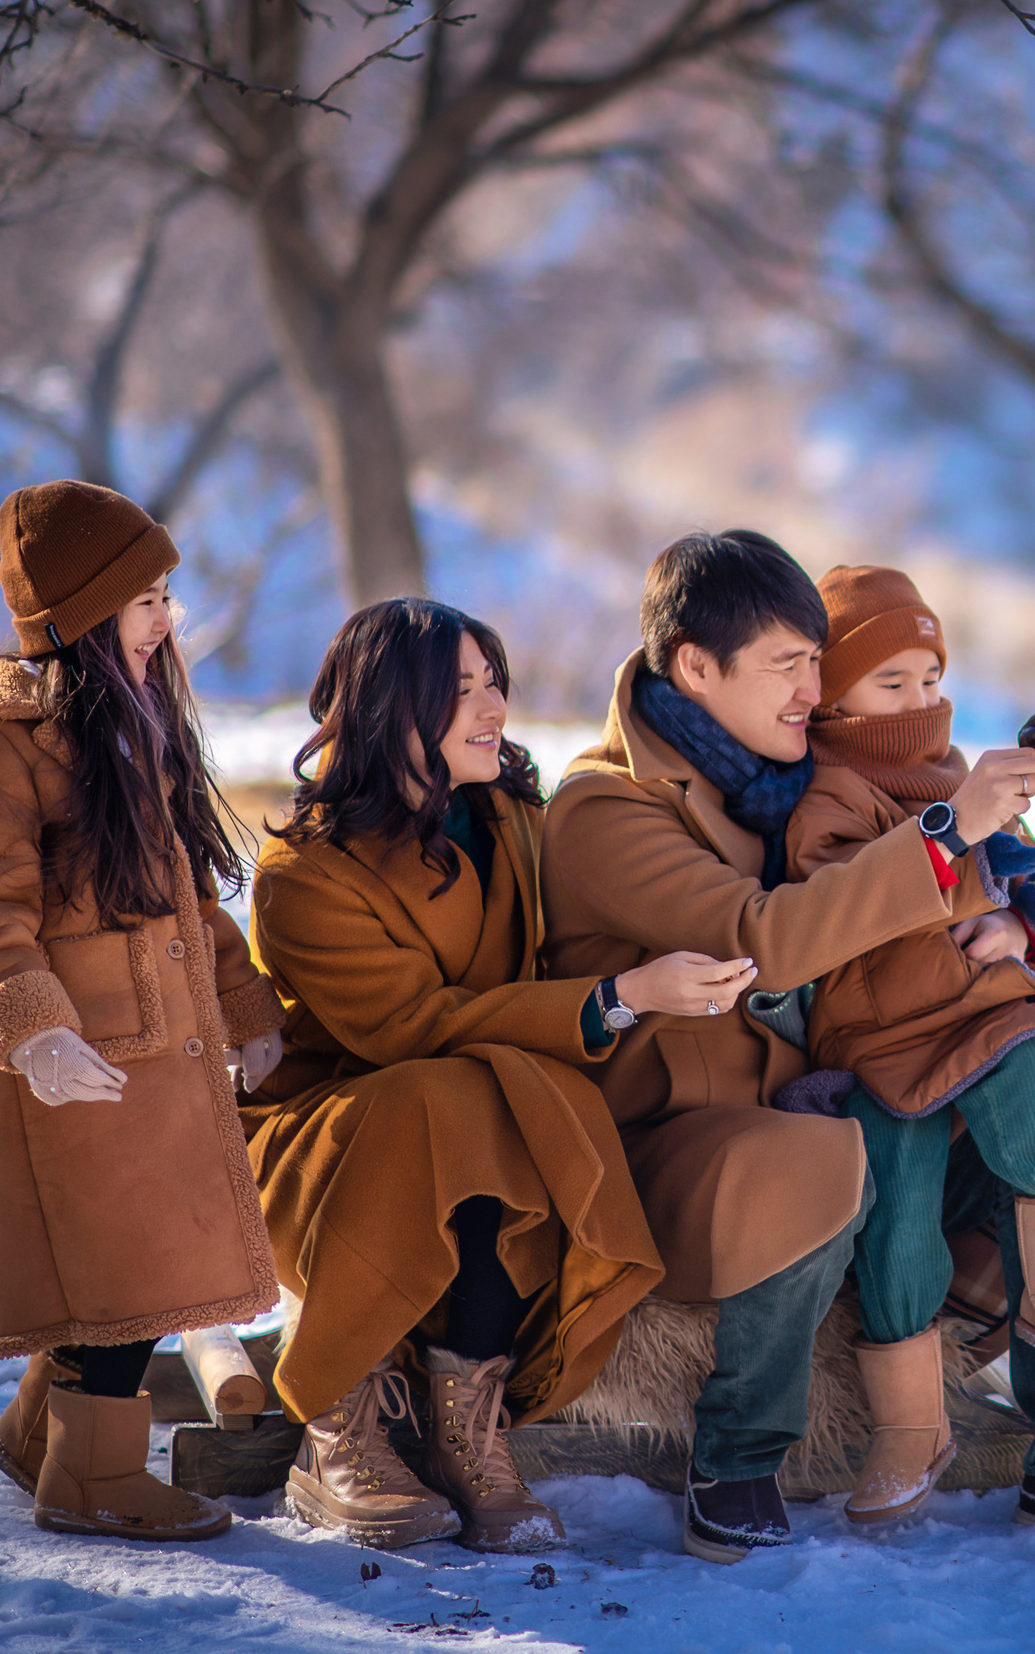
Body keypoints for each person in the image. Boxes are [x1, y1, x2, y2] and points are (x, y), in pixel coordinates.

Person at [540, 530, 1035, 1561]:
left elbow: (913, 929)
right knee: (819, 1155)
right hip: (686, 1144)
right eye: (789, 665)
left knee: (1029, 1088)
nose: (812, 692)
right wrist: (948, 830)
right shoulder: (609, 807)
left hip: (831, 1093)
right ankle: (737, 1458)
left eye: (821, 666)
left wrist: (1019, 927)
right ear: (695, 666)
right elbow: (765, 940)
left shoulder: (779, 778)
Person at [243, 599, 729, 1552]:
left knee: (506, 1106)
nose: (494, 705)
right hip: (329, 1140)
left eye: (495, 680)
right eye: (460, 688)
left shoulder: (511, 816)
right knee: (456, 1093)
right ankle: (338, 1423)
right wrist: (614, 998)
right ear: (390, 706)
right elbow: (410, 1028)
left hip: (492, 1110)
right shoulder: (302, 872)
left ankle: (472, 1428)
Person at [0, 479, 287, 1542]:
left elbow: (182, 899)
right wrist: (31, 1027)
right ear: (83, 617)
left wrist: (242, 1004)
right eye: (145, 601)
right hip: (77, 1062)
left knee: (125, 1265)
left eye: (168, 595)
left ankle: (42, 1438)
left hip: (152, 1054)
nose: (167, 620)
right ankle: (94, 1478)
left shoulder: (131, 738)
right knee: (121, 1272)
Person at [787, 564, 1035, 1528]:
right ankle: (910, 1425)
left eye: (932, 677)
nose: (921, 701)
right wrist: (966, 875)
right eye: (890, 682)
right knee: (895, 1218)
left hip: (979, 1016)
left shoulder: (959, 776)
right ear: (831, 694)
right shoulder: (826, 793)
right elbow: (842, 916)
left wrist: (1024, 921)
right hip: (880, 1040)